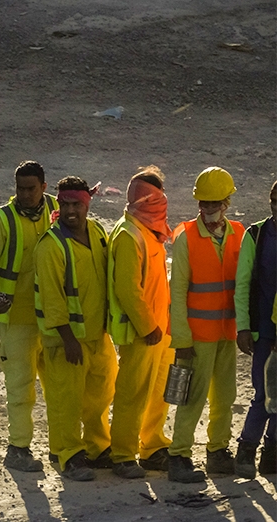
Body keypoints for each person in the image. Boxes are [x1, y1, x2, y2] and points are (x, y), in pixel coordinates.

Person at [33, 176, 117, 482]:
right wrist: (68, 339)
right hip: (66, 341)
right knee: (65, 402)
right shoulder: (51, 246)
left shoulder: (97, 232)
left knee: (99, 397)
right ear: (57, 204)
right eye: (65, 204)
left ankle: (97, 447)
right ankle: (68, 454)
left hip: (98, 336)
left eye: (76, 205)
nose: (71, 211)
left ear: (87, 205)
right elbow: (53, 298)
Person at [0, 160, 57, 472]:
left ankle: (62, 447)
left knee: (59, 385)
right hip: (17, 319)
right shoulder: (2, 220)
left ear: (44, 188)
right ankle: (19, 448)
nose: (24, 195)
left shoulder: (58, 212)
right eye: (20, 189)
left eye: (31, 189)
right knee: (21, 387)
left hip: (52, 317)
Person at [168, 166, 244, 483]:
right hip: (197, 336)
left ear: (226, 202)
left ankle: (217, 452)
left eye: (214, 203)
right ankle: (179, 456)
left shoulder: (240, 234)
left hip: (228, 332)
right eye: (204, 203)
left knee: (225, 396)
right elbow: (178, 292)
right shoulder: (186, 238)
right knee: (192, 396)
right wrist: (182, 339)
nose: (208, 209)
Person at [106, 167, 173, 478]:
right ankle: (122, 454)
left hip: (159, 329)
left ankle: (153, 447)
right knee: (133, 392)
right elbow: (127, 289)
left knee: (158, 392)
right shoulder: (129, 234)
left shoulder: (148, 230)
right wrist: (148, 327)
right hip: (141, 332)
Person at [233, 180, 277, 478]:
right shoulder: (257, 234)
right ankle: (246, 450)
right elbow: (243, 283)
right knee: (264, 394)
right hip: (264, 331)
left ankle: (271, 454)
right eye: (275, 198)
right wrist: (244, 327)